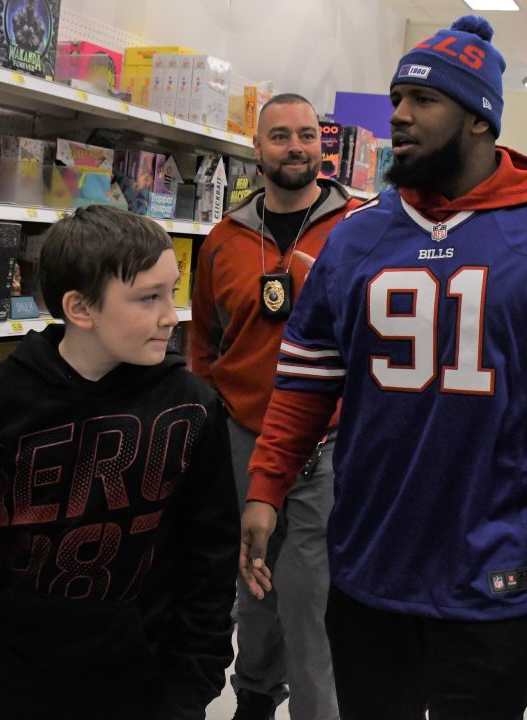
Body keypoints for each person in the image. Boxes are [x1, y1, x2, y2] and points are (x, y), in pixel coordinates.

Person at [238, 15, 527, 720]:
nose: (399, 114)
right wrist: (266, 485)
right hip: (370, 562)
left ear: (479, 121)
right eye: (397, 95)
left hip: (500, 573)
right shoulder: (358, 238)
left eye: (423, 100)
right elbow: (307, 384)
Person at [0, 205, 238, 720]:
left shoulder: (193, 407)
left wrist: (189, 692)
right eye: (148, 298)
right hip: (12, 678)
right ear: (81, 308)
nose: (170, 315)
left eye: (172, 292)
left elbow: (210, 563)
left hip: (143, 685)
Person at [190, 93, 361, 720]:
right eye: (281, 136)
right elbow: (203, 341)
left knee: (311, 589)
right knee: (253, 576)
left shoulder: (361, 228)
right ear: (256, 149)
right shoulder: (223, 239)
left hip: (331, 439)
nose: (296, 147)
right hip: (243, 434)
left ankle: (320, 709)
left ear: (324, 145)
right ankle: (257, 696)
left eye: (308, 135)